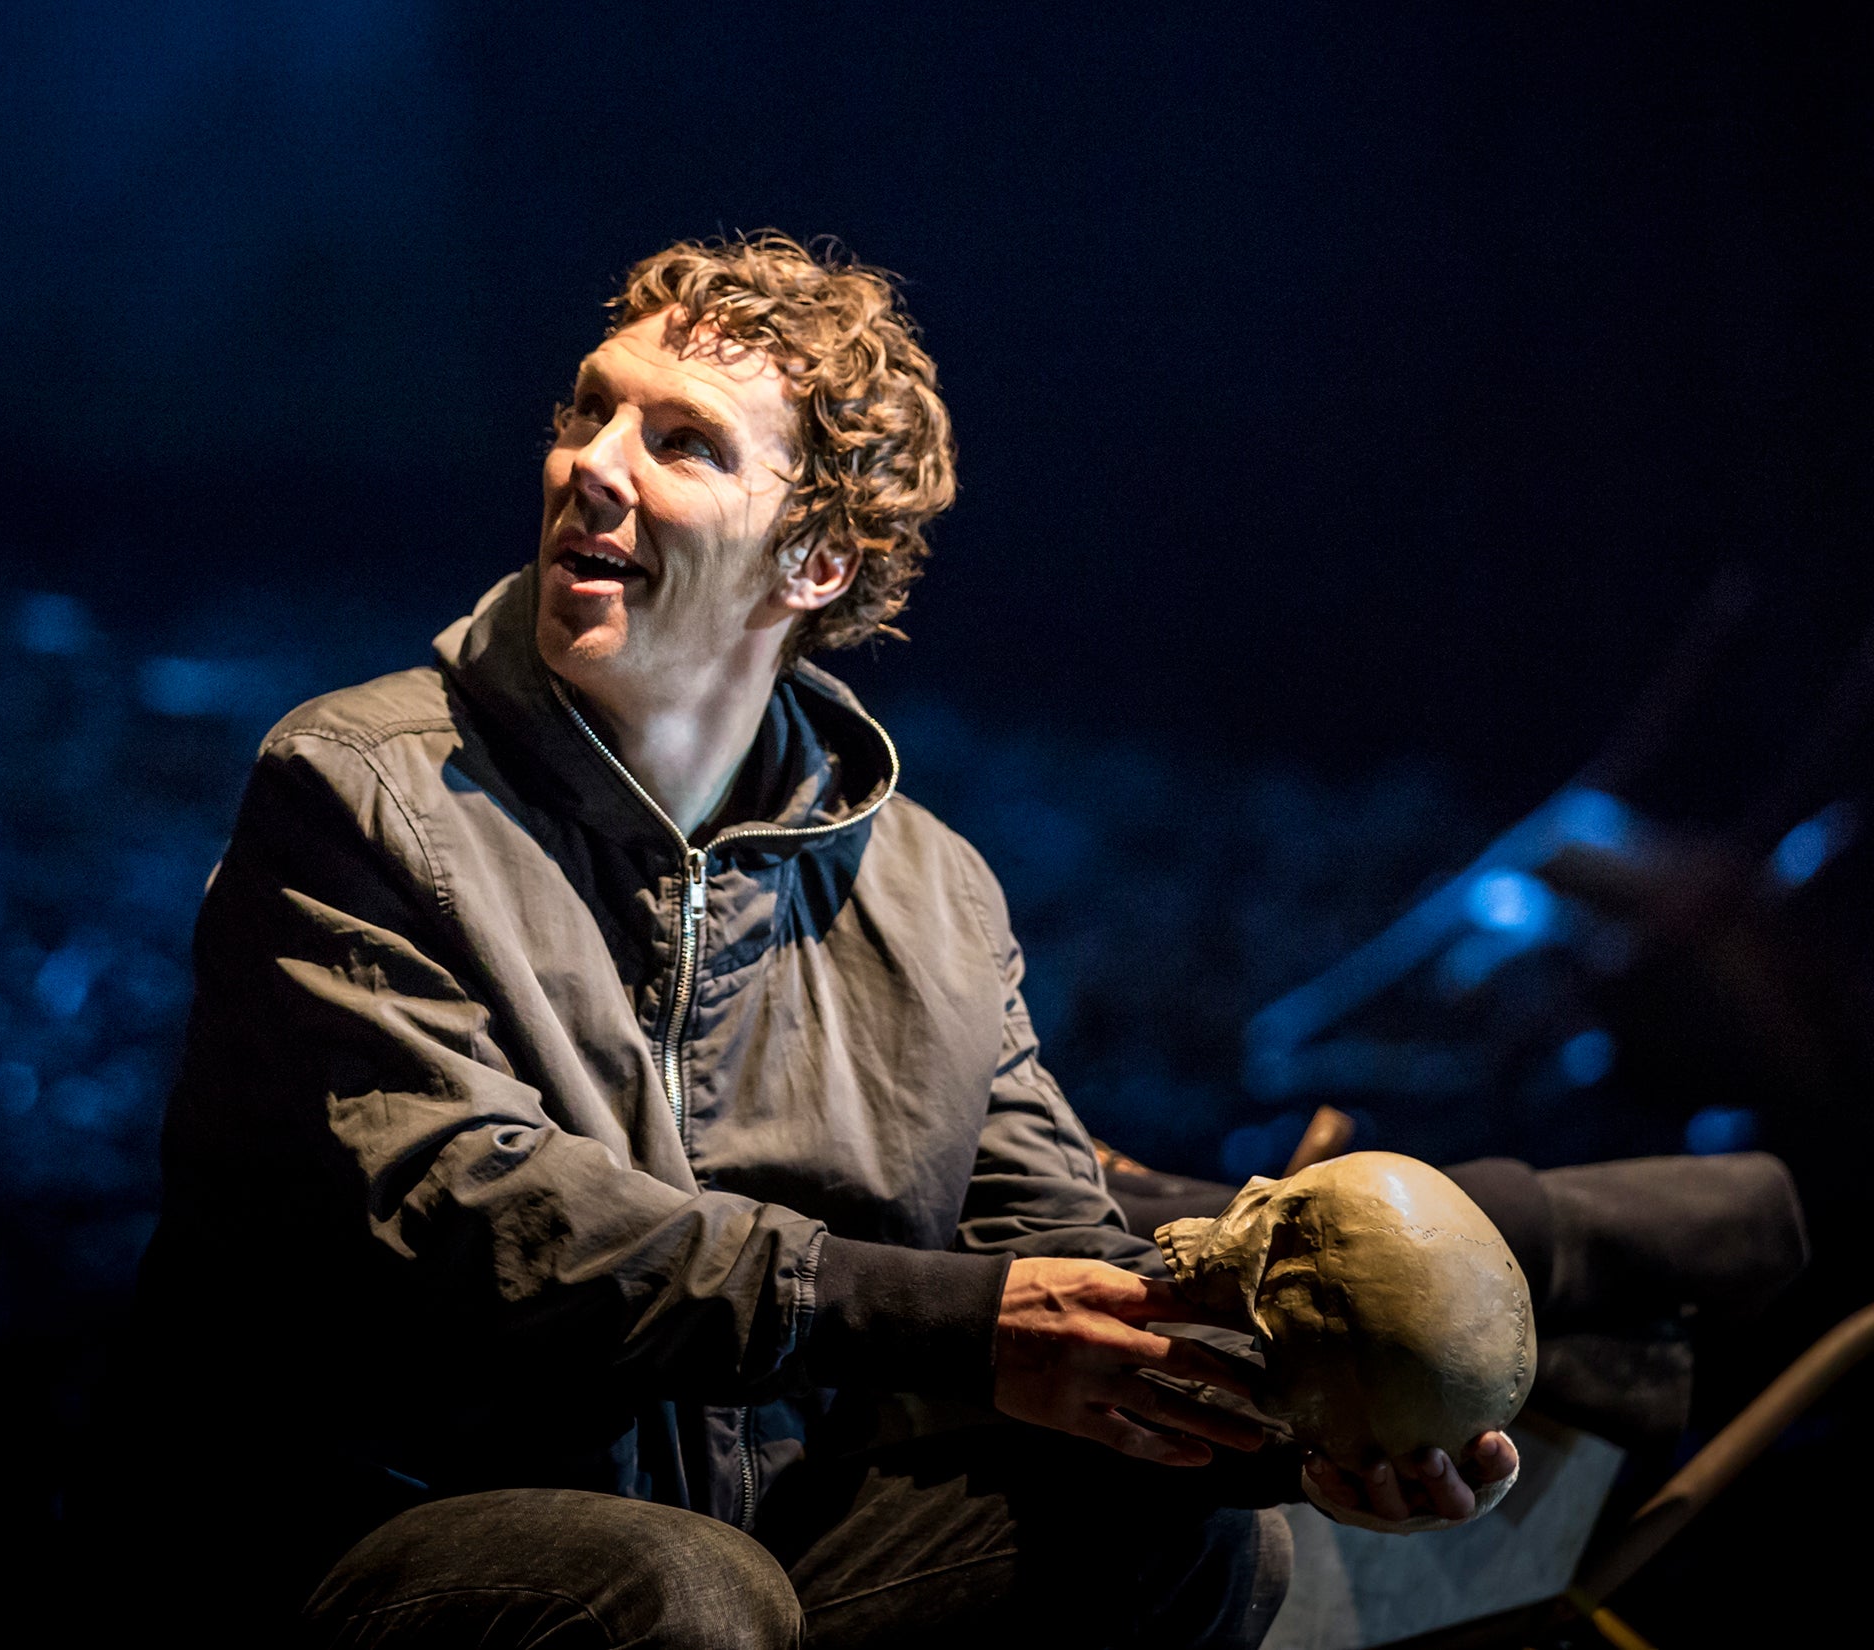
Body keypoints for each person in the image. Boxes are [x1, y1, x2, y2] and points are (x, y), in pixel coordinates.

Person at [99, 233, 1520, 1649]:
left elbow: (1046, 1239)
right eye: (588, 409)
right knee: (687, 1596)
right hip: (374, 1539)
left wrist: (1307, 1437)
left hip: (755, 1556)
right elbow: (478, 1219)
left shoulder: (931, 895)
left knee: (1185, 1532)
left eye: (682, 442)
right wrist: (954, 1321)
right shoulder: (365, 791)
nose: (589, 464)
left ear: (816, 558)